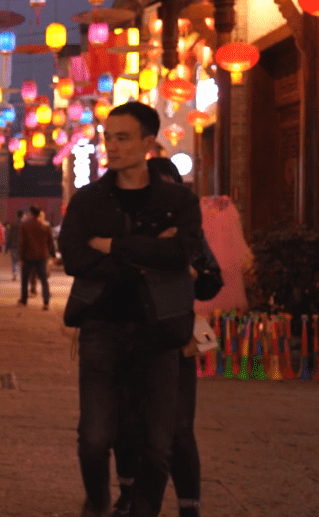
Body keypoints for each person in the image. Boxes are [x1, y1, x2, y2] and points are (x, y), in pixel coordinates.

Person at [58, 102, 202, 517]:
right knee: (95, 438)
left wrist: (114, 246)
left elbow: (182, 253)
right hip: (103, 328)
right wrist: (149, 253)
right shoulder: (90, 201)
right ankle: (99, 504)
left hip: (159, 334)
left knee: (159, 445)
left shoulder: (177, 200)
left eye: (122, 138)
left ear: (148, 143)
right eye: (108, 138)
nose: (113, 147)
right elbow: (75, 259)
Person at [111, 158, 222, 517]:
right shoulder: (126, 228)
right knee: (126, 423)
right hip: (130, 337)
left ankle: (189, 506)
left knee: (177, 430)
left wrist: (190, 272)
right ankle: (129, 495)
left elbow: (211, 281)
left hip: (175, 340)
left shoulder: (191, 235)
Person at [18, 205, 56, 310]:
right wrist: (46, 252)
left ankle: (24, 299)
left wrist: (21, 256)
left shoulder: (25, 225)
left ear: (31, 213)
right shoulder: (45, 225)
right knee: (44, 279)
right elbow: (50, 242)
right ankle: (46, 301)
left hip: (28, 255)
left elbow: (23, 242)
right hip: (42, 255)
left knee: (25, 278)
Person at [5, 209, 24, 280]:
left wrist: (7, 247)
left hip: (13, 245)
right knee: (22, 260)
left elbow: (9, 236)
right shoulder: (24, 224)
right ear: (22, 215)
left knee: (14, 261)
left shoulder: (13, 224)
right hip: (22, 245)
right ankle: (22, 274)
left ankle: (15, 273)